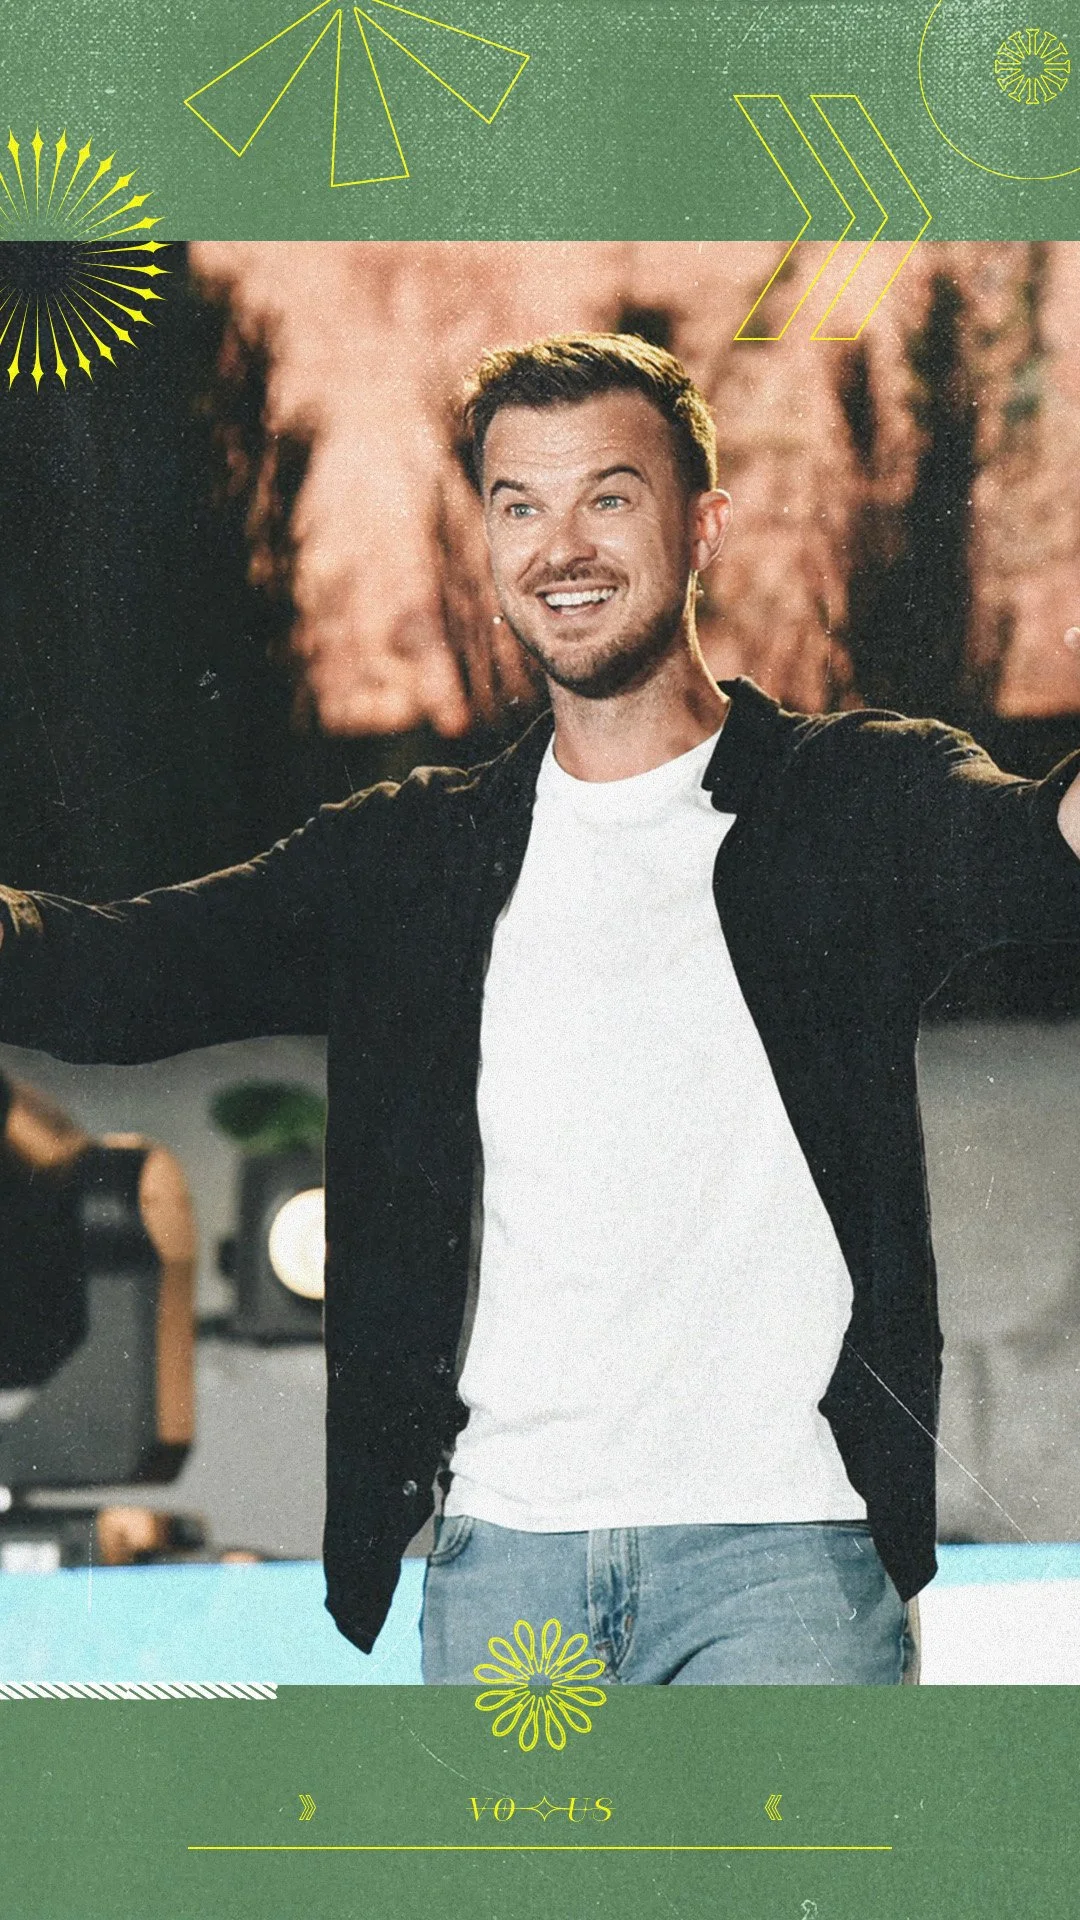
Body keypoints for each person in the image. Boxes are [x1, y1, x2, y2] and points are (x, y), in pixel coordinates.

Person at [3, 333, 1080, 1685]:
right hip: (507, 1569)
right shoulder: (415, 858)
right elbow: (119, 973)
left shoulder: (849, 801)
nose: (561, 547)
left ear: (703, 527)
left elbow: (1039, 853)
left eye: (608, 498)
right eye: (521, 506)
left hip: (785, 1563)